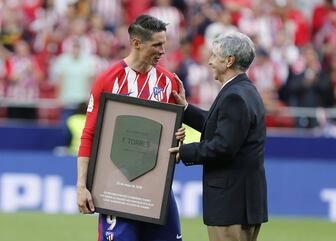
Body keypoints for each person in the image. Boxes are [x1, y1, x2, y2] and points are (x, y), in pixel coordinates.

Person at [77, 15, 183, 241]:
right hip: (116, 187)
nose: (163, 50)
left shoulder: (168, 82)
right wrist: (81, 186)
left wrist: (179, 138)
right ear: (136, 43)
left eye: (164, 43)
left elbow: (171, 137)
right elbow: (89, 135)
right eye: (157, 44)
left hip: (156, 190)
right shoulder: (108, 80)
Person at [169, 32, 268, 241]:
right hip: (243, 202)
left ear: (229, 60)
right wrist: (185, 109)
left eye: (214, 55)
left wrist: (184, 151)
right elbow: (219, 125)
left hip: (231, 203)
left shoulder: (234, 96)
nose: (209, 61)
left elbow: (224, 146)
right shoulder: (244, 90)